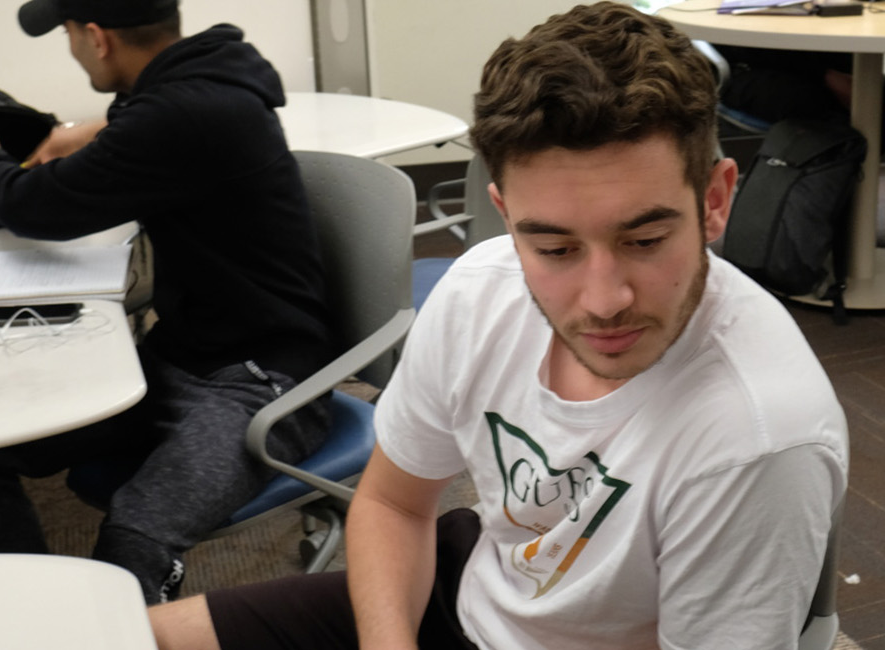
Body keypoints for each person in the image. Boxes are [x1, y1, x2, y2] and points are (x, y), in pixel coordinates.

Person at [144, 4, 849, 649]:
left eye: (644, 240)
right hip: (471, 586)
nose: (603, 300)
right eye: (555, 249)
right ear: (505, 215)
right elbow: (393, 503)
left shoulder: (757, 440)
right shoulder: (480, 288)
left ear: (716, 199)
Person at [0, 0, 335, 603]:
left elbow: (34, 207)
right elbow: (161, 118)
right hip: (181, 357)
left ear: (96, 38)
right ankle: (30, 611)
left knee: (133, 546)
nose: (71, 49)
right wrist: (94, 130)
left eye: (68, 34)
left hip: (264, 384)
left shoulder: (181, 114)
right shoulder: (209, 76)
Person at [713, 44, 885, 153]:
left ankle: (844, 197)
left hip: (818, 61)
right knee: (830, 117)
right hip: (748, 69)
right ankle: (814, 210)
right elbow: (750, 43)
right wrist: (825, 76)